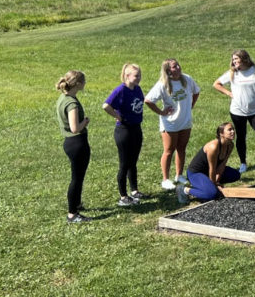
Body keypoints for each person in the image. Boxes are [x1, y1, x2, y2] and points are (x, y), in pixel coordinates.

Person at [144, 58, 200, 190]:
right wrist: (161, 112)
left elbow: (196, 91)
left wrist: (191, 105)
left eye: (178, 65)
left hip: (185, 121)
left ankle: (179, 175)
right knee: (169, 150)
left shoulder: (187, 79)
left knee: (181, 148)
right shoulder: (163, 84)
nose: (179, 68)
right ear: (168, 70)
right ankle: (165, 179)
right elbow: (148, 100)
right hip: (170, 123)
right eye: (175, 66)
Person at [102, 63, 146, 207]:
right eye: (136, 75)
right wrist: (117, 115)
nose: (139, 78)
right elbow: (106, 105)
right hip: (124, 130)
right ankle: (123, 196)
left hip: (136, 128)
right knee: (124, 164)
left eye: (139, 75)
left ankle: (134, 191)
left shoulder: (137, 89)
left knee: (133, 161)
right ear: (127, 76)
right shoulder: (120, 90)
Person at [56, 70, 91, 224]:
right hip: (77, 142)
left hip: (70, 143)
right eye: (83, 81)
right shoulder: (71, 103)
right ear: (78, 84)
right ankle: (72, 214)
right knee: (76, 179)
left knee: (78, 177)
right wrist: (86, 121)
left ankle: (76, 204)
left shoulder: (63, 98)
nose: (85, 84)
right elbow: (75, 127)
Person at [177, 122, 241, 203]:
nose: (233, 131)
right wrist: (214, 185)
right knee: (212, 194)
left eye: (233, 129)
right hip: (196, 173)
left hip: (209, 172)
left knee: (235, 175)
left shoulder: (230, 145)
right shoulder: (213, 147)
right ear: (221, 134)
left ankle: (206, 185)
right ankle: (184, 190)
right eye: (229, 130)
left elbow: (222, 165)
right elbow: (212, 168)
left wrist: (217, 182)